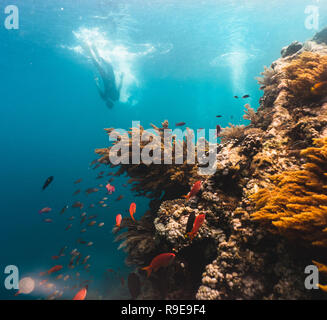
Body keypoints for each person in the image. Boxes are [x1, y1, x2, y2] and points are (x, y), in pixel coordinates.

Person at [84, 43, 123, 108]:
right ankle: (97, 56)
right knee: (107, 66)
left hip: (107, 79)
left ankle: (90, 52)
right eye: (108, 104)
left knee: (100, 67)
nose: (107, 103)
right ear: (110, 103)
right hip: (111, 78)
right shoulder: (114, 98)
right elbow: (119, 88)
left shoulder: (106, 98)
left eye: (107, 104)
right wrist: (122, 78)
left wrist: (96, 81)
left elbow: (99, 89)